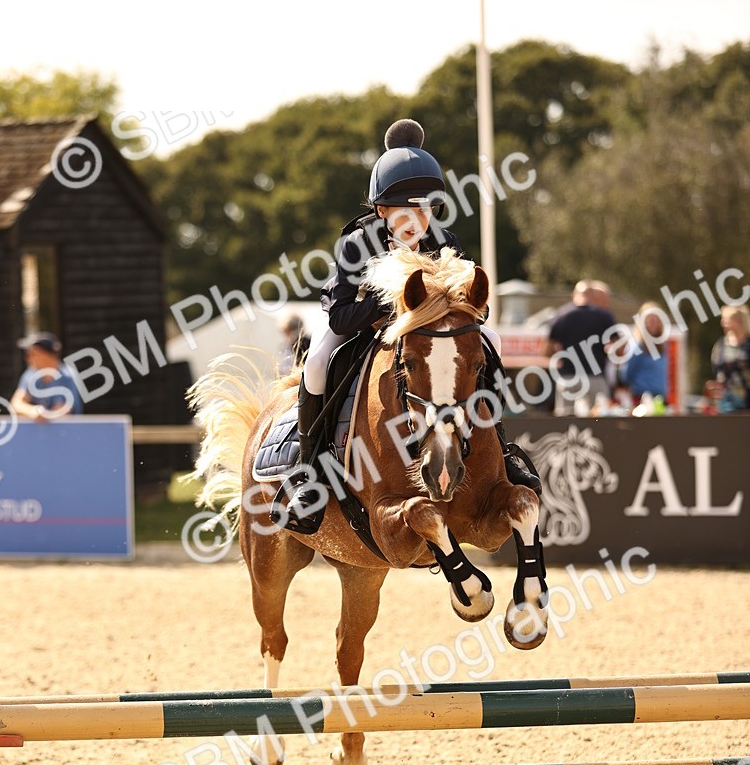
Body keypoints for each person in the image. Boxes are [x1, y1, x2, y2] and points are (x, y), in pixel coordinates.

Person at [282, 118, 541, 534]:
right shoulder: (357, 243)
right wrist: (394, 306)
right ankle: (307, 473)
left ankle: (501, 450)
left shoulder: (445, 241)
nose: (415, 219)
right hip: (360, 325)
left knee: (490, 341)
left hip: (427, 337)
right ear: (382, 211)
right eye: (404, 209)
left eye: (423, 209)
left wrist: (462, 310)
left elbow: (472, 305)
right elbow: (341, 315)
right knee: (315, 364)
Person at [545, 280, 616, 415]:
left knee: (564, 420)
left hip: (568, 377)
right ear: (592, 296)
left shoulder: (561, 315)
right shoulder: (604, 315)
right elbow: (617, 347)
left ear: (574, 294)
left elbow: (547, 350)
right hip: (596, 376)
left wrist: (562, 355)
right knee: (600, 418)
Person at [10, 332, 83, 419]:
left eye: (33, 354)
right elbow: (16, 403)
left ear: (47, 355)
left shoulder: (67, 377)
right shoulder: (30, 373)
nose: (28, 359)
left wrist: (42, 415)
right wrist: (33, 411)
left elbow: (63, 412)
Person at [613, 303, 668, 405]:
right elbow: (626, 375)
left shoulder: (663, 345)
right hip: (641, 398)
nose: (654, 323)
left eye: (656, 320)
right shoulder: (637, 347)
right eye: (650, 320)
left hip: (660, 397)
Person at [704, 304, 750, 412]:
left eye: (727, 320)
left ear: (739, 321)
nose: (723, 323)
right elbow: (716, 370)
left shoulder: (748, 344)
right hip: (726, 403)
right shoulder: (721, 345)